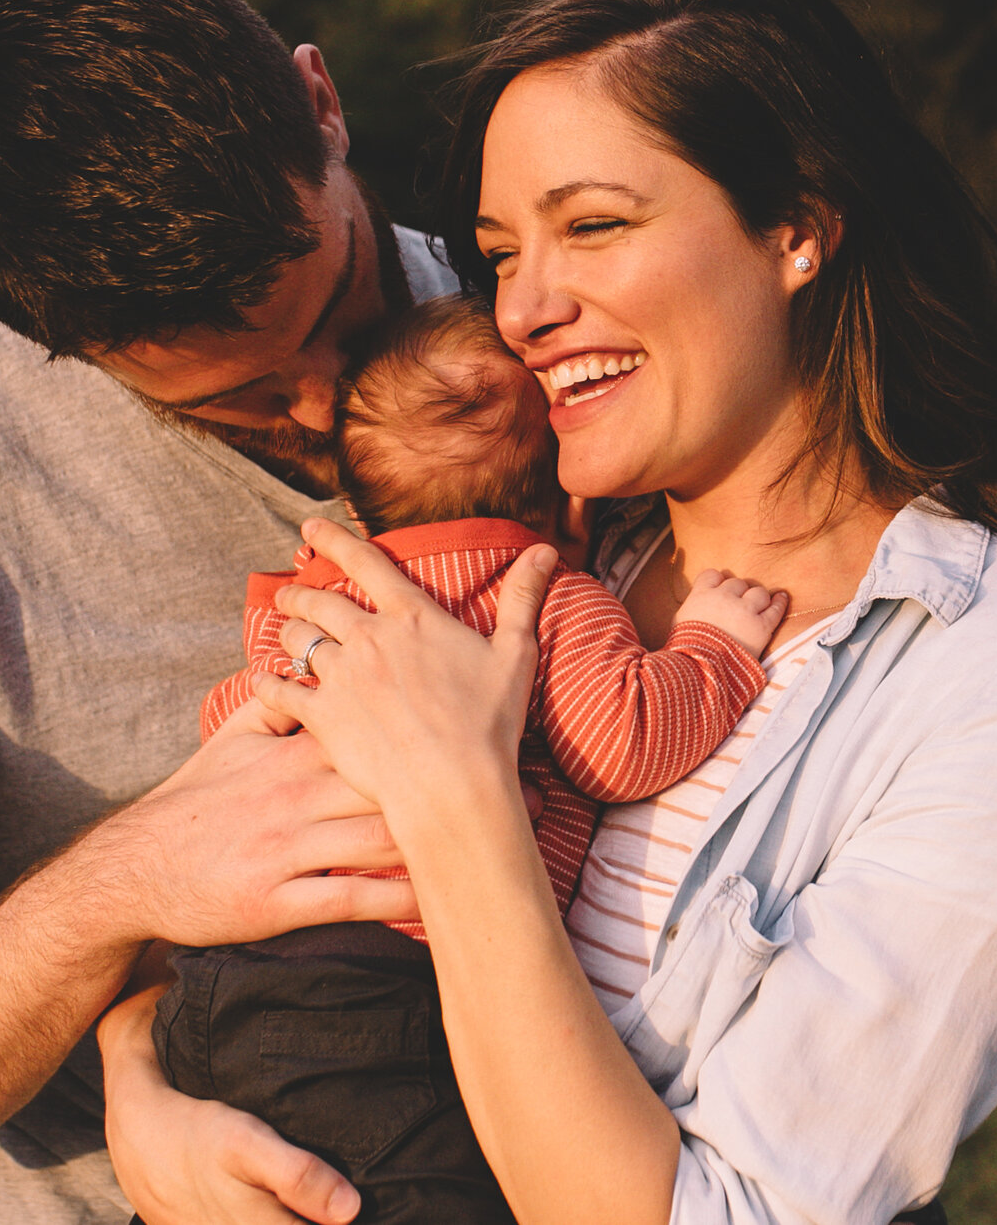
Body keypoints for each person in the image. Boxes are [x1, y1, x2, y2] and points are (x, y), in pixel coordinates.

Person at [99, 0, 997, 1225]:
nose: (524, 308)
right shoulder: (538, 553)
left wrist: (457, 791)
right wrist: (140, 1084)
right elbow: (225, 877)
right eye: (497, 253)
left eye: (591, 224)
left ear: (796, 229)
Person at [0, 0, 469, 1224]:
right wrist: (127, 878)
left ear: (322, 101)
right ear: (53, 341)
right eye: (238, 395)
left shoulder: (531, 333)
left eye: (340, 296)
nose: (320, 403)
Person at [154, 294, 785, 1223]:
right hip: (387, 996)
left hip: (222, 984)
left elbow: (229, 725)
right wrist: (716, 650)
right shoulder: (537, 596)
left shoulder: (318, 604)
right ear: (575, 506)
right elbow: (621, 745)